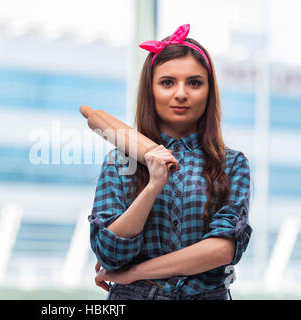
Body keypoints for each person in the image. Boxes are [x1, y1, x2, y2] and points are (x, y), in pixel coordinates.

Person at [88, 24, 252, 300]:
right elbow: (111, 254)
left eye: (194, 82)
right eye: (167, 82)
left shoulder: (231, 164)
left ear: (209, 91)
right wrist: (153, 185)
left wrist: (135, 272)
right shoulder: (120, 162)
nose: (181, 94)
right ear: (150, 90)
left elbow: (222, 250)